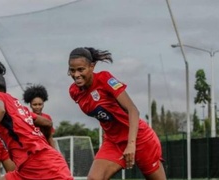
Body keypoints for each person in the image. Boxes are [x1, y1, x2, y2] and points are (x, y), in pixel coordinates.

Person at [68, 47, 167, 180]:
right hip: (113, 142)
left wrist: (131, 144)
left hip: (139, 139)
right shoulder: (74, 92)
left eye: (81, 69)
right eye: (72, 70)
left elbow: (133, 110)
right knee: (94, 178)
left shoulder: (105, 79)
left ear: (92, 66)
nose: (76, 75)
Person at [0, 60, 73, 180]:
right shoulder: (17, 106)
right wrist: (47, 143)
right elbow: (47, 123)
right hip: (30, 167)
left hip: (42, 165)